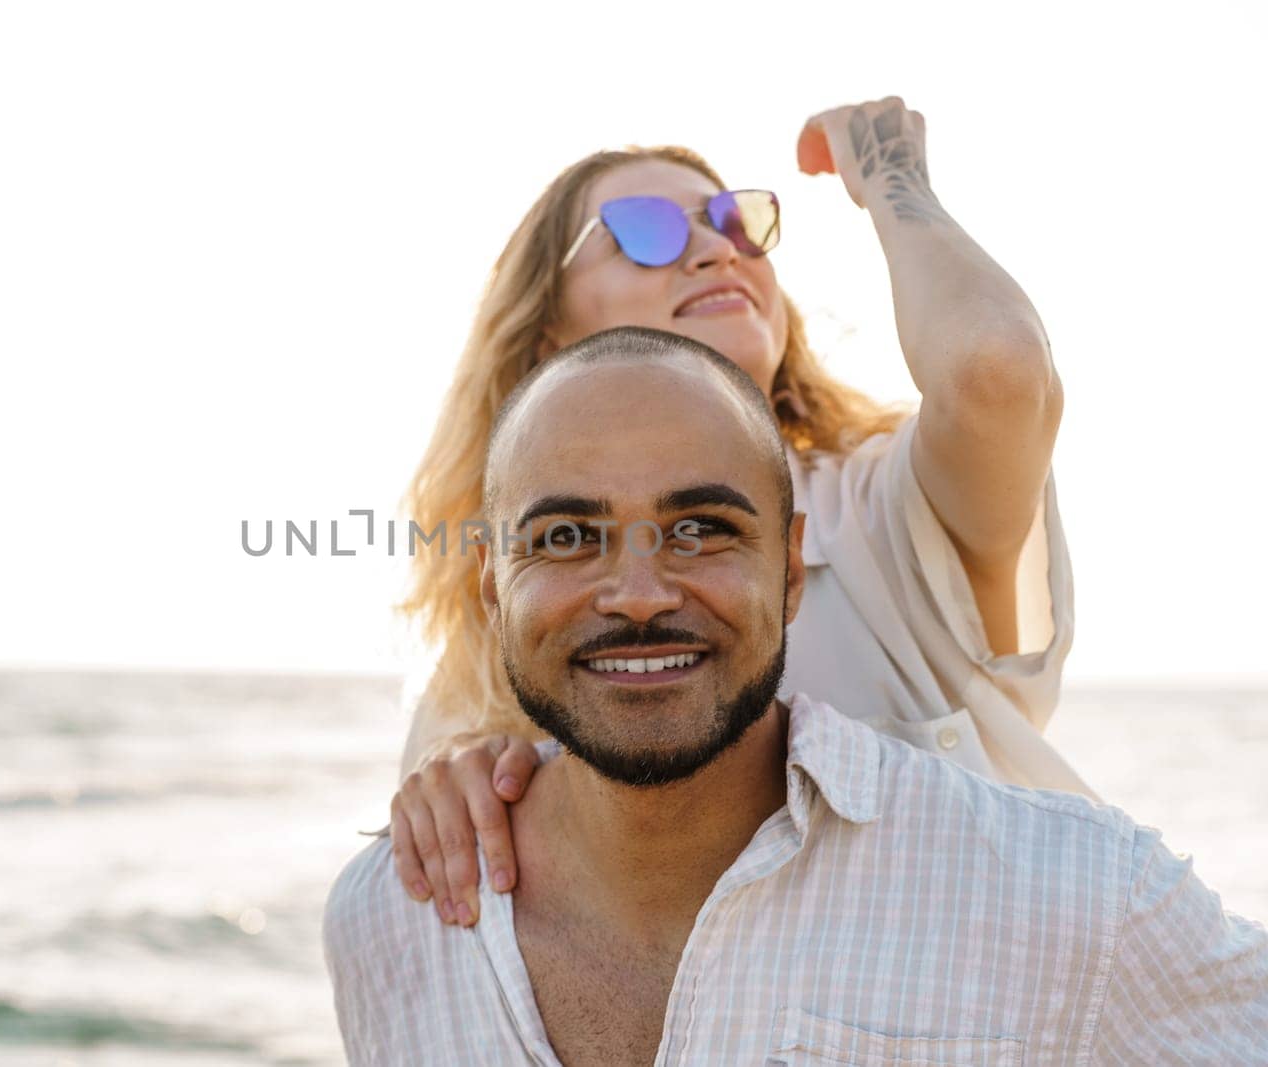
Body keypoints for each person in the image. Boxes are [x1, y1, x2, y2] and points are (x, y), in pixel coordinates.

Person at [324, 328, 1268, 1065]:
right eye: (569, 536)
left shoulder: (1077, 897)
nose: (642, 593)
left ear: (790, 572)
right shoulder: (388, 920)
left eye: (701, 527)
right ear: (493, 586)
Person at [390, 98, 1089, 929]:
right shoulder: (499, 627)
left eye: (737, 222)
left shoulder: (888, 509)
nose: (717, 248)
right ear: (545, 332)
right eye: (648, 229)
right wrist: (450, 774)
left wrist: (891, 173)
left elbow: (997, 369)